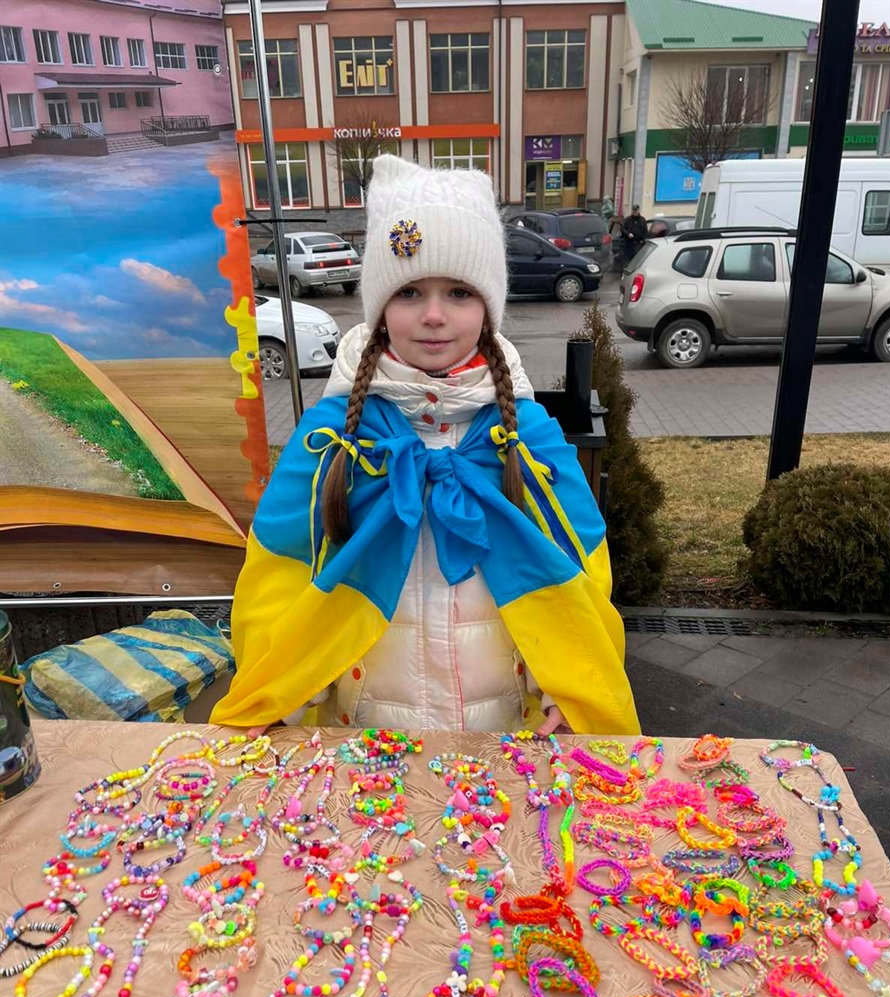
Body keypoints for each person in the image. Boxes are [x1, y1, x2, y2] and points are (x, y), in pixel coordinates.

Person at [212, 155, 639, 738]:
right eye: (410, 291)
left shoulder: (526, 438)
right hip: (363, 740)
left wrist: (568, 682)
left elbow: (579, 571)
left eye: (459, 292)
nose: (434, 316)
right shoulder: (333, 440)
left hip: (500, 736)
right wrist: (283, 679)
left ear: (488, 308)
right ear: (381, 307)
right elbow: (276, 576)